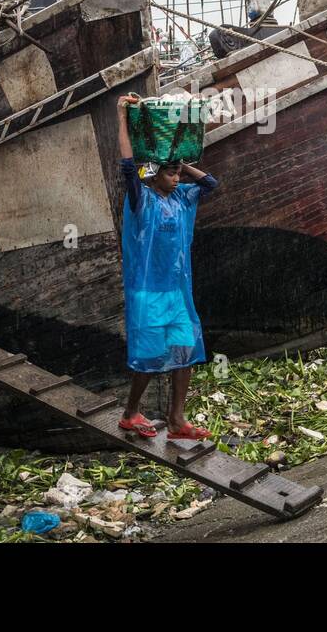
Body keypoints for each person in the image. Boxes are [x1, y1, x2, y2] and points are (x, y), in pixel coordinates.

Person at [114, 94, 219, 441]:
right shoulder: (140, 197)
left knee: (184, 351)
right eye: (170, 174)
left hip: (176, 291)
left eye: (177, 175)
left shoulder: (181, 197)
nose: (176, 179)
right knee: (148, 358)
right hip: (147, 293)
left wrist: (179, 161)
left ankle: (177, 421)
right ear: (153, 173)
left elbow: (210, 184)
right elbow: (129, 167)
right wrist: (121, 116)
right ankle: (131, 413)